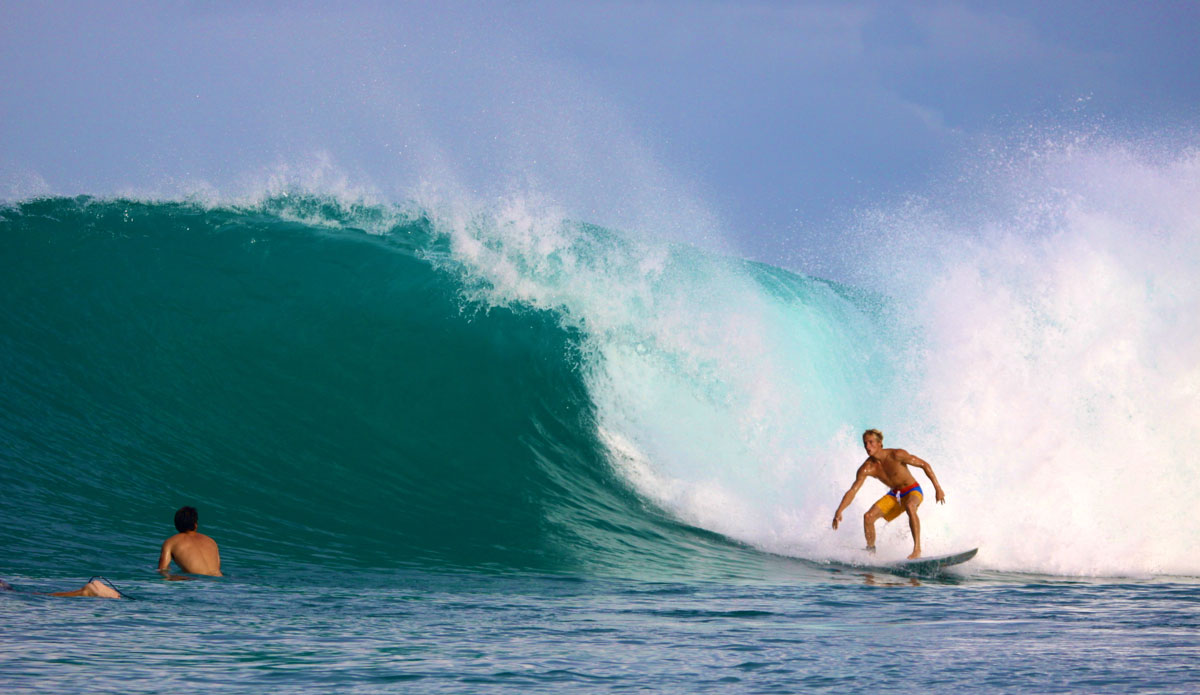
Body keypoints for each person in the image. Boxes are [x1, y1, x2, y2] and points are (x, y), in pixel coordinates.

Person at [831, 429, 946, 559]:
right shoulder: (867, 468)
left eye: (871, 442)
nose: (867, 447)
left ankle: (917, 550)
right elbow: (853, 490)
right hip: (895, 495)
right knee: (868, 517)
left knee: (910, 506)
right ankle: (870, 553)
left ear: (880, 443)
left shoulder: (896, 455)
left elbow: (924, 465)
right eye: (865, 443)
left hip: (912, 490)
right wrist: (839, 510)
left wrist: (938, 488)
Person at [158, 506, 222, 576]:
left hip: (197, 582)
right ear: (195, 525)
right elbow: (217, 568)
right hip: (219, 583)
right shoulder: (211, 542)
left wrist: (178, 578)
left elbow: (162, 570)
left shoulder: (170, 542)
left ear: (176, 525)